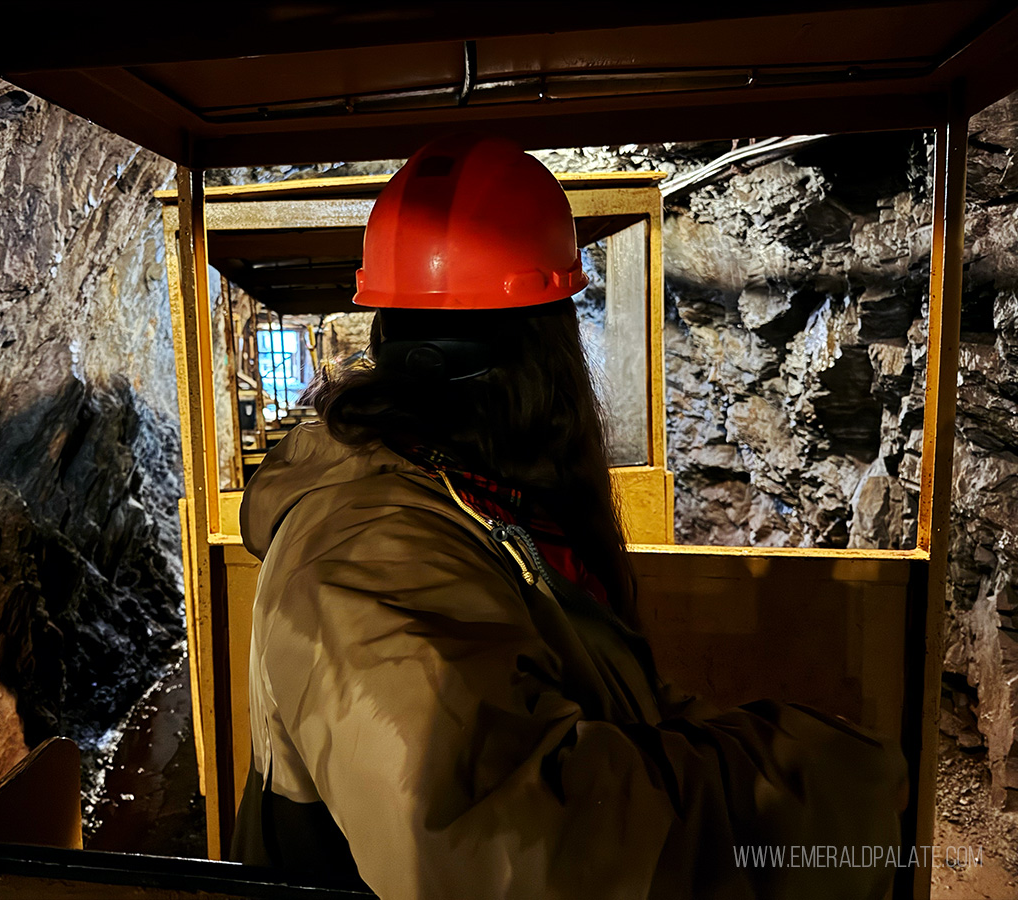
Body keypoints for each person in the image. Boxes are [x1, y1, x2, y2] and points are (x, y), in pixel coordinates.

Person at [229, 133, 906, 899]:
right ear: (541, 352)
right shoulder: (367, 549)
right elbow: (524, 850)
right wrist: (814, 782)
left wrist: (724, 740)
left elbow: (600, 693)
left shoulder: (466, 499)